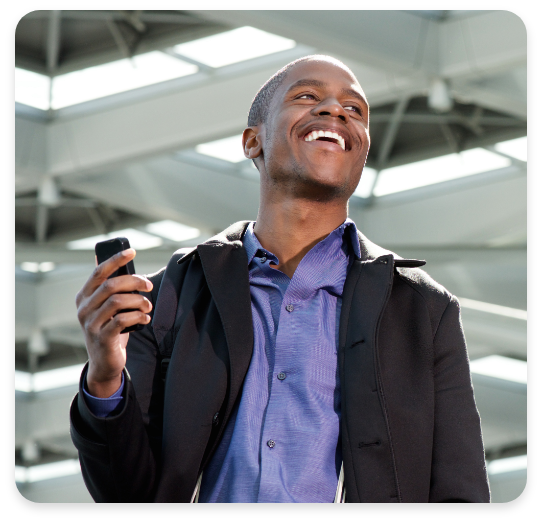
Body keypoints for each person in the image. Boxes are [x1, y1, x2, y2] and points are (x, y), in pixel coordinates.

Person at [70, 55, 491, 503]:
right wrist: (104, 376)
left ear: (362, 150)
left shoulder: (423, 312)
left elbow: (459, 487)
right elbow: (125, 493)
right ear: (253, 141)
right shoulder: (172, 296)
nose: (335, 110)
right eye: (307, 96)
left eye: (355, 110)